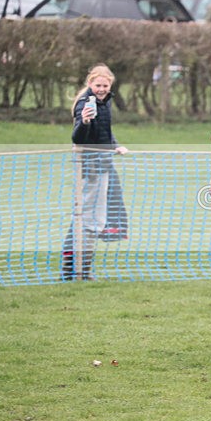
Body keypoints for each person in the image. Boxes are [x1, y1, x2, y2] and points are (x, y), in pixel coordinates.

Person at [61, 63, 128, 281]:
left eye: (105, 86)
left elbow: (104, 132)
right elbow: (78, 138)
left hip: (103, 164)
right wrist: (84, 121)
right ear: (90, 83)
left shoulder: (104, 102)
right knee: (90, 220)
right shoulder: (85, 104)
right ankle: (78, 271)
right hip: (91, 168)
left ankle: (77, 270)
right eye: (98, 85)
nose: (101, 89)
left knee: (88, 218)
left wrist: (115, 145)